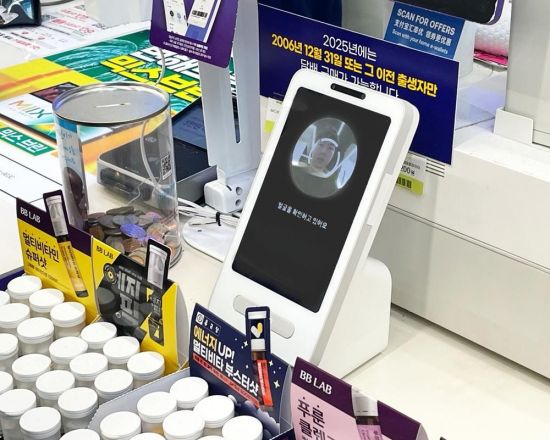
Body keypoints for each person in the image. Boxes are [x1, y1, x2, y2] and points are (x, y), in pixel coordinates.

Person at [291, 124, 341, 198]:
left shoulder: (332, 188)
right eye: (321, 145)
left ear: (334, 155)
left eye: (330, 148)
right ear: (313, 146)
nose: (323, 151)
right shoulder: (294, 169)